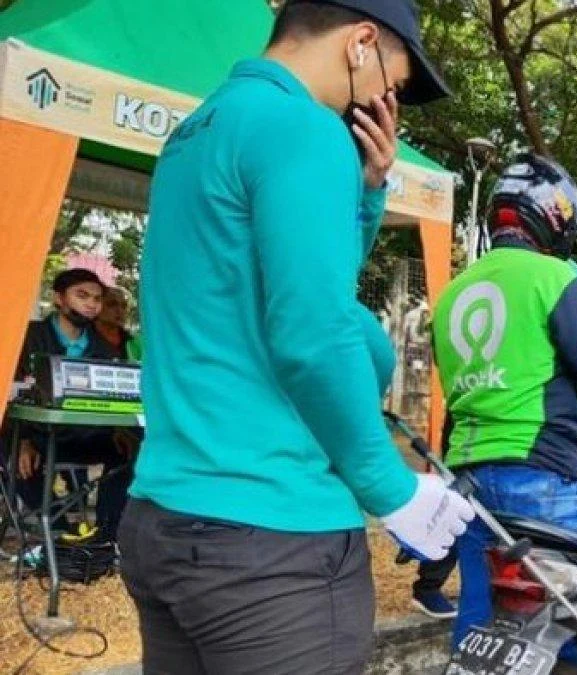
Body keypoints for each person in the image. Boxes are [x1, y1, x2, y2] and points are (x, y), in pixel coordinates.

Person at [118, 2, 473, 673]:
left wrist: (368, 193)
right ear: (361, 43)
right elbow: (314, 331)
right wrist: (389, 487)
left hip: (165, 519)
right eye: (391, 84)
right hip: (271, 544)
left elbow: (293, 288)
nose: (384, 102)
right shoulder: (304, 129)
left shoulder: (200, 129)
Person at [431, 154, 577, 653]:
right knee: (565, 624)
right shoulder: (555, 279)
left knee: (478, 617)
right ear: (553, 217)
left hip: (470, 481)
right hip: (544, 479)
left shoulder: (454, 292)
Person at [10, 268, 132, 542]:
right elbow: (10, 391)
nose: (91, 304)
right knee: (11, 453)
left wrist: (121, 431)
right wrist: (24, 440)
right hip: (35, 434)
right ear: (59, 299)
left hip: (83, 434)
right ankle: (62, 535)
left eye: (97, 299)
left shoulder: (107, 349)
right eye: (82, 295)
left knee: (129, 453)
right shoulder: (27, 336)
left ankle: (105, 538)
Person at [95, 286, 142, 361]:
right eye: (112, 304)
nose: (120, 311)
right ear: (96, 307)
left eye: (124, 306)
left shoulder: (136, 342)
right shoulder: (83, 339)